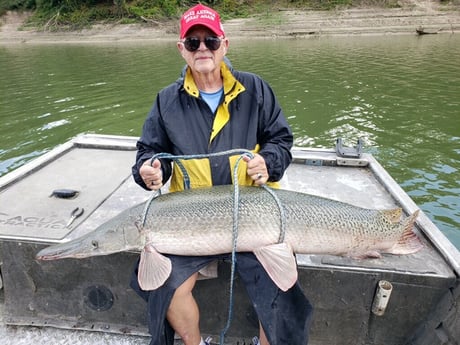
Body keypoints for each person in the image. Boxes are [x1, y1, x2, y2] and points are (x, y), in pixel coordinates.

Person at [131, 4, 313, 345]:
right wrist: (151, 171)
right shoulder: (166, 101)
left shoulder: (255, 89)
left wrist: (268, 163)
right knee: (163, 284)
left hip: (252, 216)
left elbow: (281, 141)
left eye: (210, 41)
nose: (203, 49)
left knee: (281, 288)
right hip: (189, 220)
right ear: (181, 49)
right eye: (193, 42)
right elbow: (150, 152)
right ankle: (194, 343)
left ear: (224, 45)